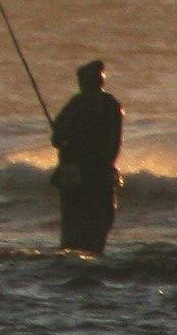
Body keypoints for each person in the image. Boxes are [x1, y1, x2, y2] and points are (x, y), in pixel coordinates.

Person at [48, 59, 124, 253]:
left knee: (72, 223)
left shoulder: (76, 104)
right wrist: (105, 167)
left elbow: (57, 138)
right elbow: (115, 144)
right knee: (99, 224)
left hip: (73, 174)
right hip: (100, 174)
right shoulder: (111, 105)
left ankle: (72, 254)